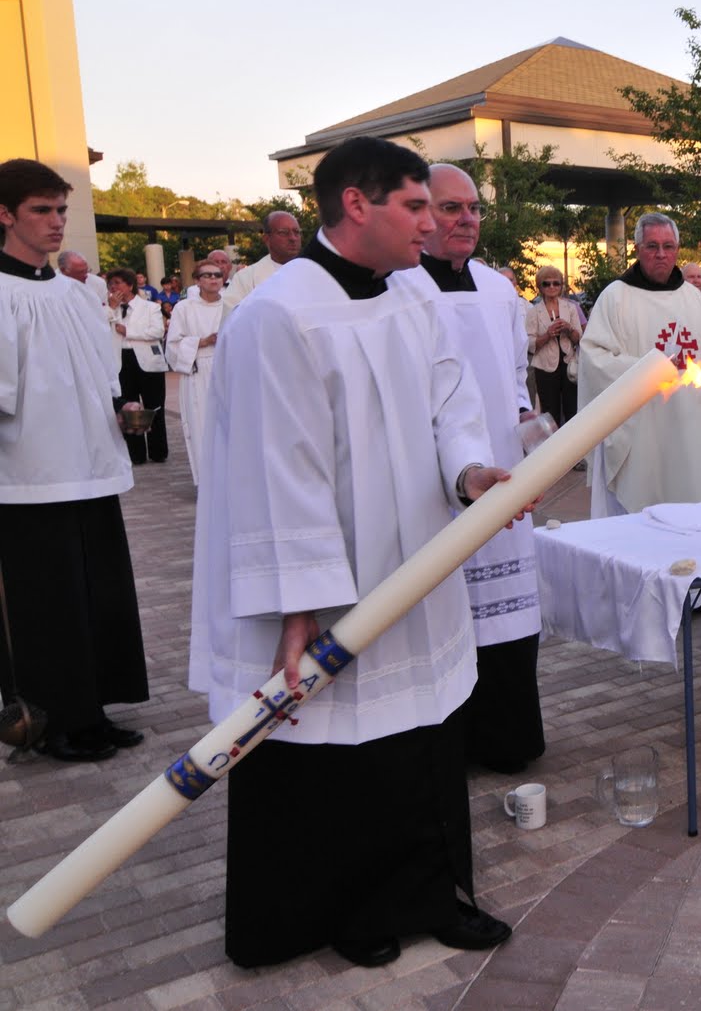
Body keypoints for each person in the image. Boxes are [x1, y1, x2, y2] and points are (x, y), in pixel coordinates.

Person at [189, 136, 515, 969]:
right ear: (357, 206)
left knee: (427, 733)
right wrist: (300, 604)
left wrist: (472, 471)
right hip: (336, 573)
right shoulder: (278, 313)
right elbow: (278, 469)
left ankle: (433, 894)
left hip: (416, 553)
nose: (433, 225)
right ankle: (354, 908)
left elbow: (452, 395)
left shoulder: (412, 295)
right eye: (416, 207)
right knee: (346, 751)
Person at [0, 158, 148, 763]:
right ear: (4, 215)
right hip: (28, 479)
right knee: (48, 605)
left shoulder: (75, 293)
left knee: (97, 595)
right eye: (42, 210)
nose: (57, 222)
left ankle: (94, 710)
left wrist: (119, 411)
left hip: (90, 467)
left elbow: (97, 375)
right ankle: (53, 721)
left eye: (61, 209)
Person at [413, 163, 546, 773]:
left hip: (503, 467)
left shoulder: (498, 289)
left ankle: (508, 737)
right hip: (431, 479)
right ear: (421, 213)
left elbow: (516, 370)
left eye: (472, 209)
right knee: (444, 611)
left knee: (510, 608)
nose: (466, 219)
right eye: (450, 208)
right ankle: (450, 743)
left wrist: (524, 419)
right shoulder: (401, 290)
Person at [576, 212, 701, 522]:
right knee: (635, 522)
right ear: (636, 248)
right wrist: (652, 370)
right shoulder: (615, 298)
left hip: (687, 423)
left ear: (677, 249)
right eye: (652, 246)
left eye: (668, 246)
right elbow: (594, 359)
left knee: (689, 513)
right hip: (637, 427)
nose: (661, 254)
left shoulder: (692, 299)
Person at [164, 259, 226, 484]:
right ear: (197, 280)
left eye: (217, 275)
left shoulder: (231, 304)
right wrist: (203, 341)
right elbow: (172, 346)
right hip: (199, 370)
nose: (213, 279)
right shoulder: (185, 308)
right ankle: (209, 482)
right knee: (203, 426)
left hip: (228, 371)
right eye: (207, 275)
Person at [106, 266, 168, 464]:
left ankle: (158, 451)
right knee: (128, 406)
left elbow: (157, 332)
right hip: (121, 361)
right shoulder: (108, 309)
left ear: (130, 285)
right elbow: (100, 330)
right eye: (110, 284)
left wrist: (129, 331)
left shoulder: (151, 307)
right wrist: (111, 308)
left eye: (117, 283)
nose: (113, 287)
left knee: (154, 406)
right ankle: (135, 454)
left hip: (148, 362)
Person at [526, 264, 582, 427]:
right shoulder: (534, 312)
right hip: (545, 368)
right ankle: (554, 448)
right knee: (550, 412)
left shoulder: (570, 308)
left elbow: (579, 337)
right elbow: (529, 344)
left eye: (556, 283)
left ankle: (574, 446)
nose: (552, 287)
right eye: (546, 283)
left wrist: (568, 328)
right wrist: (548, 334)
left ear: (561, 286)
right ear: (540, 287)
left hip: (569, 365)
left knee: (572, 410)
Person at [220, 211, 302, 320]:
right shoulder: (246, 279)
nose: (293, 238)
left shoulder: (314, 274)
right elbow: (231, 321)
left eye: (296, 232)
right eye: (284, 233)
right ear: (266, 239)